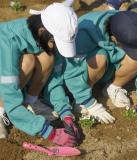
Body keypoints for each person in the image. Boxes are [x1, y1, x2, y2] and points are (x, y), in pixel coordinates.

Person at [43, 10, 137, 125]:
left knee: (136, 58)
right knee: (99, 57)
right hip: (83, 71)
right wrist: (89, 103)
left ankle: (113, 88)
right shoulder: (82, 34)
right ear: (114, 38)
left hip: (109, 64)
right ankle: (81, 102)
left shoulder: (135, 29)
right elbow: (71, 72)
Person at [0, 3, 81, 146]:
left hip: (8, 77)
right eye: (53, 42)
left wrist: (65, 113)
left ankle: (29, 103)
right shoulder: (9, 42)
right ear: (42, 30)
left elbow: (55, 79)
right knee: (28, 61)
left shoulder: (44, 36)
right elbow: (10, 96)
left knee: (47, 57)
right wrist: (49, 132)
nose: (55, 45)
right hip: (5, 81)